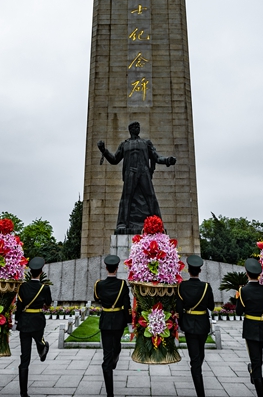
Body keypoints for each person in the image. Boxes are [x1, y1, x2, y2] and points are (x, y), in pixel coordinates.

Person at [97, 121, 177, 234]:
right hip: (130, 173)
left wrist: (168, 160)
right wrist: (103, 151)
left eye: (138, 126)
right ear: (130, 130)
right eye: (135, 127)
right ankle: (122, 223)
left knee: (151, 197)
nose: (137, 128)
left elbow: (157, 157)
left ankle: (157, 223)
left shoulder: (146, 143)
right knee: (126, 198)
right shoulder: (124, 144)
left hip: (144, 172)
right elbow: (114, 160)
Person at [93, 254, 132, 397]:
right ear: (116, 268)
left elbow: (96, 298)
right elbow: (127, 304)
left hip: (106, 319)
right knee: (114, 348)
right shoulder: (122, 284)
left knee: (110, 351)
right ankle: (113, 359)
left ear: (106, 268)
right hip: (118, 321)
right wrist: (129, 320)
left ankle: (111, 362)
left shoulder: (99, 284)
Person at [177, 255, 215, 397]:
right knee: (199, 354)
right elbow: (211, 306)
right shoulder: (206, 286)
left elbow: (179, 308)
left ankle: (199, 386)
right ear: (199, 270)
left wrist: (180, 324)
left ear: (188, 270)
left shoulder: (182, 286)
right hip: (203, 324)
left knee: (195, 358)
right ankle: (200, 390)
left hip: (189, 324)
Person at [15, 257, 51, 397]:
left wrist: (17, 320)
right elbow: (48, 304)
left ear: (30, 272)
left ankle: (23, 393)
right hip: (37, 320)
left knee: (25, 358)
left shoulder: (23, 287)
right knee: (40, 340)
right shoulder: (44, 288)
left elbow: (19, 306)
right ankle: (43, 347)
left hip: (24, 322)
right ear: (41, 272)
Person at [234, 258, 263, 397]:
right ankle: (254, 372)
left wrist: (238, 297)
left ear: (246, 273)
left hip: (250, 328)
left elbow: (239, 311)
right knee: (258, 359)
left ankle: (256, 380)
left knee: (256, 361)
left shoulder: (243, 290)